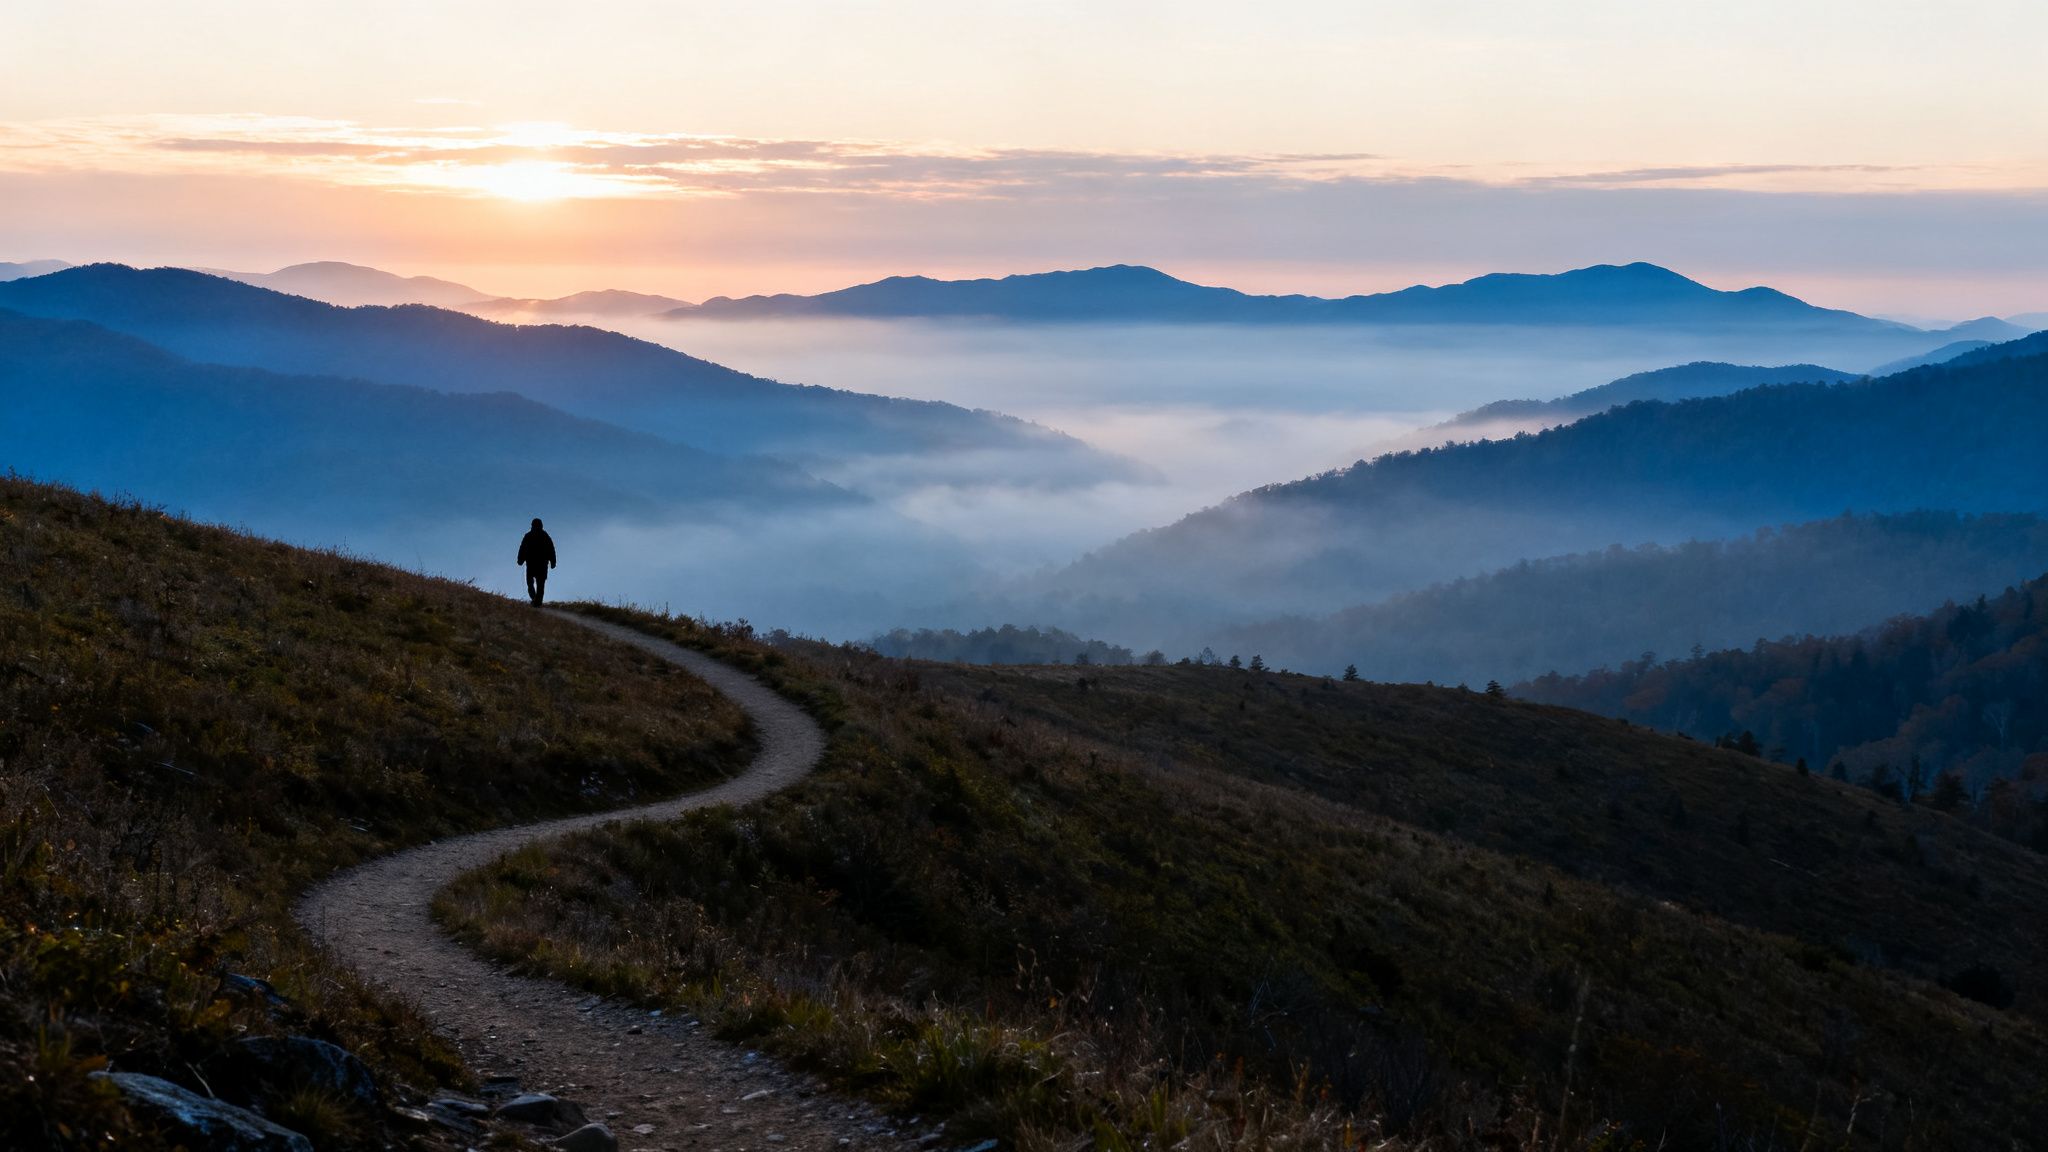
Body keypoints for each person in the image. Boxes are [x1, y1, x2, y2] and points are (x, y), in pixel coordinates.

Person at [517, 517, 557, 605]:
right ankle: (536, 599)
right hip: (533, 564)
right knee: (532, 583)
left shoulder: (544, 536)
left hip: (540, 564)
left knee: (539, 584)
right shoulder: (529, 536)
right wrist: (520, 559)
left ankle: (537, 602)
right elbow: (523, 548)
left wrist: (553, 561)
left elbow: (551, 549)